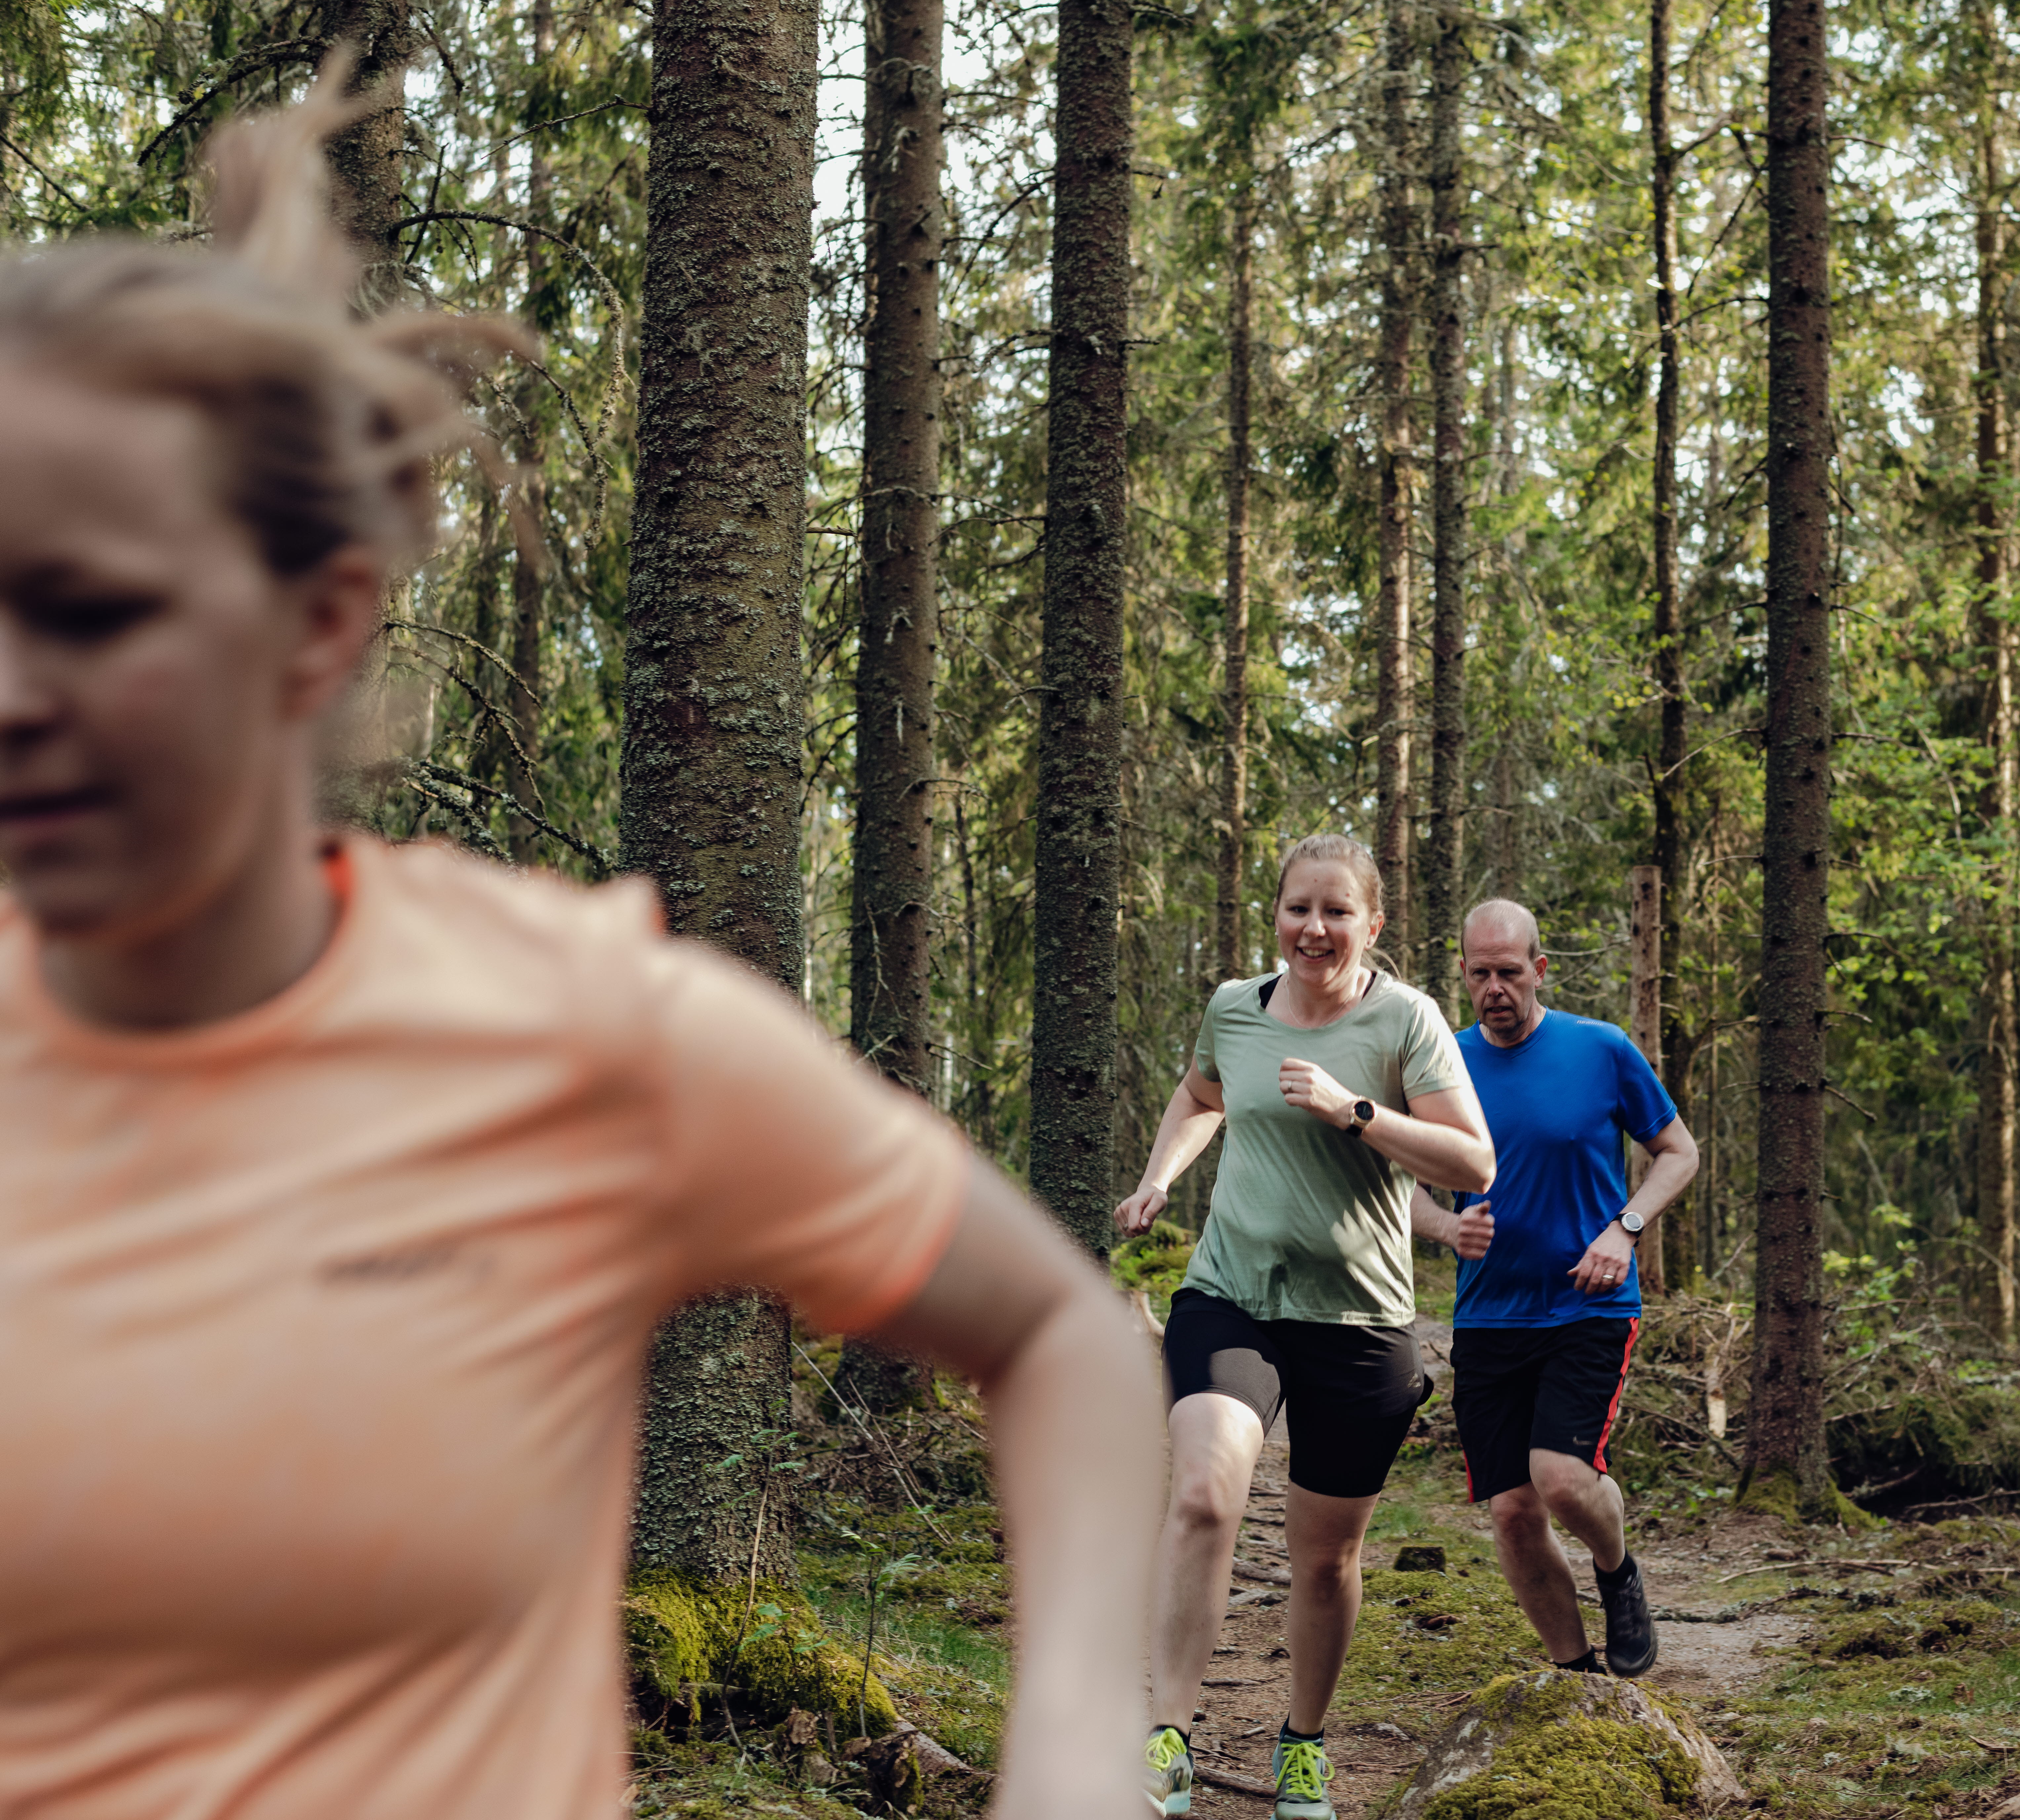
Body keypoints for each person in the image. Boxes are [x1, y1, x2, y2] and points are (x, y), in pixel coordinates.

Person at [0, 73, 1161, 1820]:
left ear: (317, 622)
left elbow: (1063, 1338)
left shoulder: (577, 1032)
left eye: (90, 613)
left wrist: (1072, 1748)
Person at [1114, 835, 1495, 1820]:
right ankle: (1168, 1738)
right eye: (1297, 909)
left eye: (1335, 912)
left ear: (1372, 924)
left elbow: (1471, 1165)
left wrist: (1354, 1109)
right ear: (1275, 916)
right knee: (1203, 1494)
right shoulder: (1234, 1010)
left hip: (1359, 1320)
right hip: (1231, 1295)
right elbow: (1200, 1095)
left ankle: (1302, 1747)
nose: (1312, 929)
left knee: (1324, 1560)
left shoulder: (1404, 1021)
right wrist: (1161, 1176)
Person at [1411, 898, 1699, 1681]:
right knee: (1511, 1511)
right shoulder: (1443, 1067)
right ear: (1464, 975)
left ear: (1540, 969)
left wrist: (1626, 1226)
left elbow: (1678, 1152)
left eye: (1510, 971)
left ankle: (1617, 1569)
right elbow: (1396, 1189)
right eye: (1481, 973)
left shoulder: (1600, 1049)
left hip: (1589, 1305)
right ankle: (1575, 1679)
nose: (1495, 987)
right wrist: (1444, 1229)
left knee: (1564, 1478)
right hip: (1488, 1314)